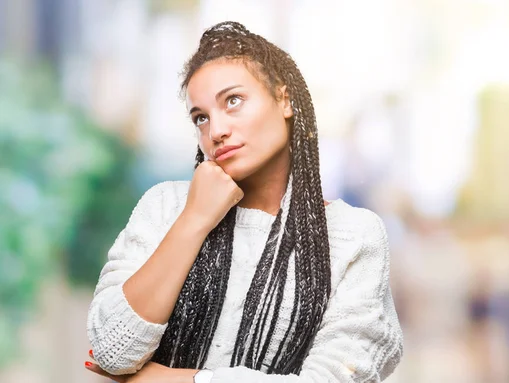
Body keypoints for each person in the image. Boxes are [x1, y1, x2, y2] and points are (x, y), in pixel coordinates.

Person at [84, 21, 403, 383]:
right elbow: (111, 349)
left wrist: (161, 380)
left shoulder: (352, 237)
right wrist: (194, 219)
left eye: (232, 101)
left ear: (284, 100)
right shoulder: (164, 208)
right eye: (200, 117)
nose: (215, 131)